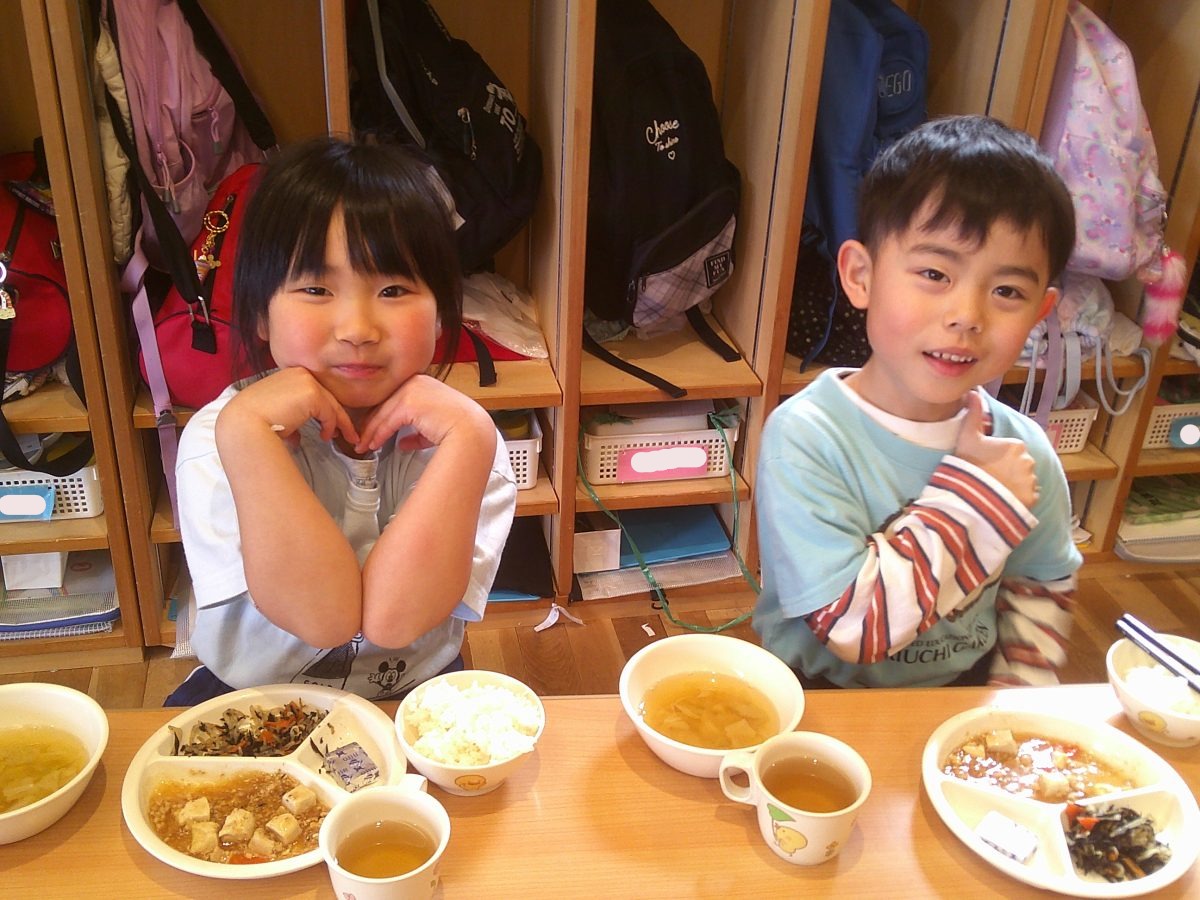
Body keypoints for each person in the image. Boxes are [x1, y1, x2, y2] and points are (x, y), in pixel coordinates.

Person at [166, 137, 517, 704]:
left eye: (393, 289)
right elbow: (324, 618)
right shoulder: (220, 437)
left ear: (441, 316)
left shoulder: (466, 439)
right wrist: (247, 435)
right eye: (315, 288)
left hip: (413, 687)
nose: (357, 328)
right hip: (250, 693)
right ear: (260, 314)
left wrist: (471, 441)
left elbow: (395, 621)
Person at [754, 115, 1082, 689]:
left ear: (1040, 312)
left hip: (961, 689)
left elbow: (1041, 584)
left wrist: (1015, 706)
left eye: (1007, 290)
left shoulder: (1022, 450)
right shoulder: (807, 435)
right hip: (817, 688)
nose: (967, 315)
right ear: (861, 276)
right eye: (934, 272)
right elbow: (852, 627)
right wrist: (981, 498)